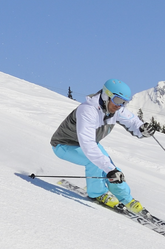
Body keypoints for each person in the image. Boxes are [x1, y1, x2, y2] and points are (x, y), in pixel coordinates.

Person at [50, 78, 157, 213]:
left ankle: (126, 199)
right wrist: (108, 168)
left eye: (124, 102)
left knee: (113, 169)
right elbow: (88, 145)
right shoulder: (88, 110)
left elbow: (132, 121)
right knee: (96, 163)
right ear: (106, 95)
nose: (120, 105)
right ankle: (97, 193)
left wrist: (142, 129)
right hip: (64, 145)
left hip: (88, 145)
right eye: (118, 100)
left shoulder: (115, 109)